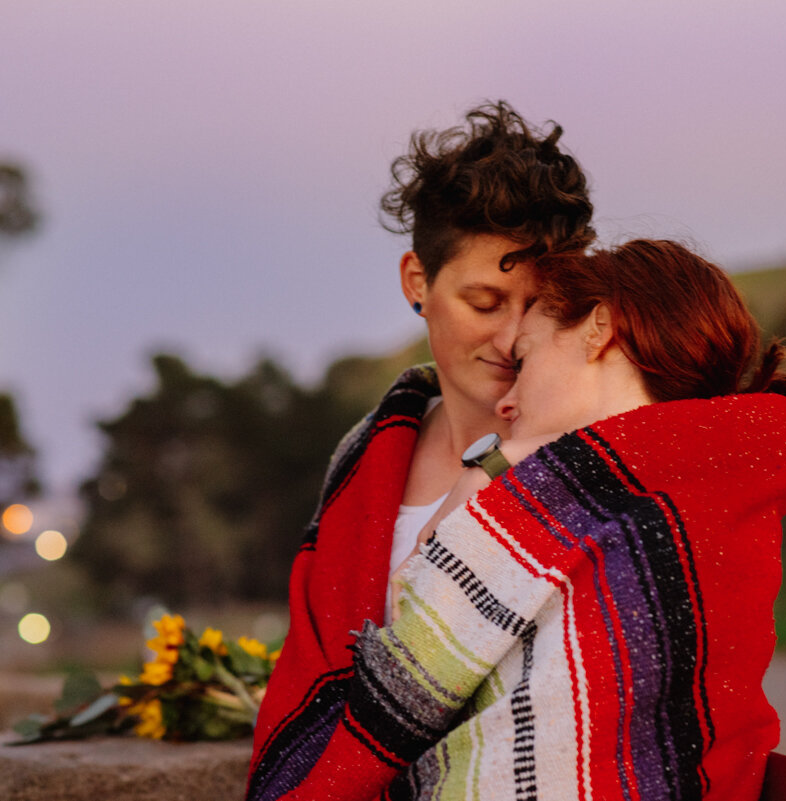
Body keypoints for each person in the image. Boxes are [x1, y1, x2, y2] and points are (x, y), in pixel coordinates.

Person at [249, 239, 786, 801]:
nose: (506, 401)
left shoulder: (605, 504)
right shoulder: (717, 485)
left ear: (599, 329)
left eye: (524, 360)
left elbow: (417, 634)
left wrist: (488, 471)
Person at [245, 101, 595, 799]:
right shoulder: (365, 455)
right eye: (485, 300)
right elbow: (316, 668)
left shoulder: (585, 460)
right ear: (417, 282)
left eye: (537, 303)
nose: (511, 337)